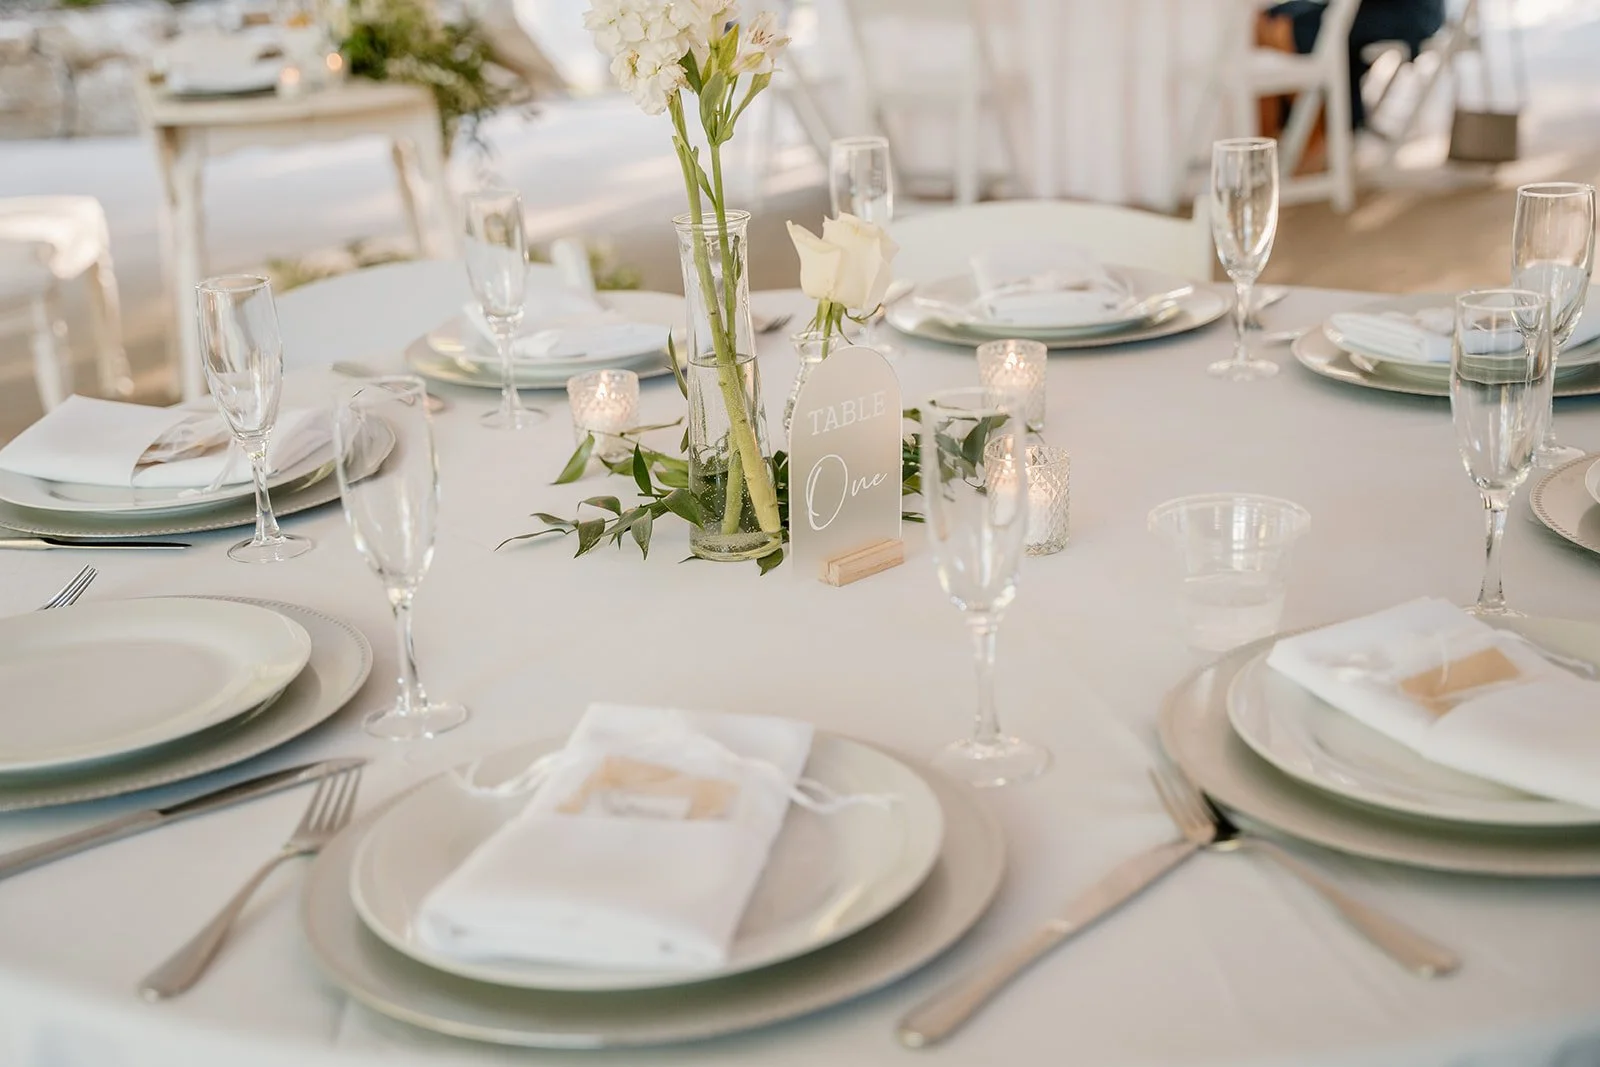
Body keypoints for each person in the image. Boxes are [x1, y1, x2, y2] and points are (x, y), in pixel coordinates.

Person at [1265, 0, 1448, 129]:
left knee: (1295, 27)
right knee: (1275, 14)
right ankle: (1336, 124)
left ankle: (1316, 133)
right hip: (1373, 7)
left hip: (1412, 13)